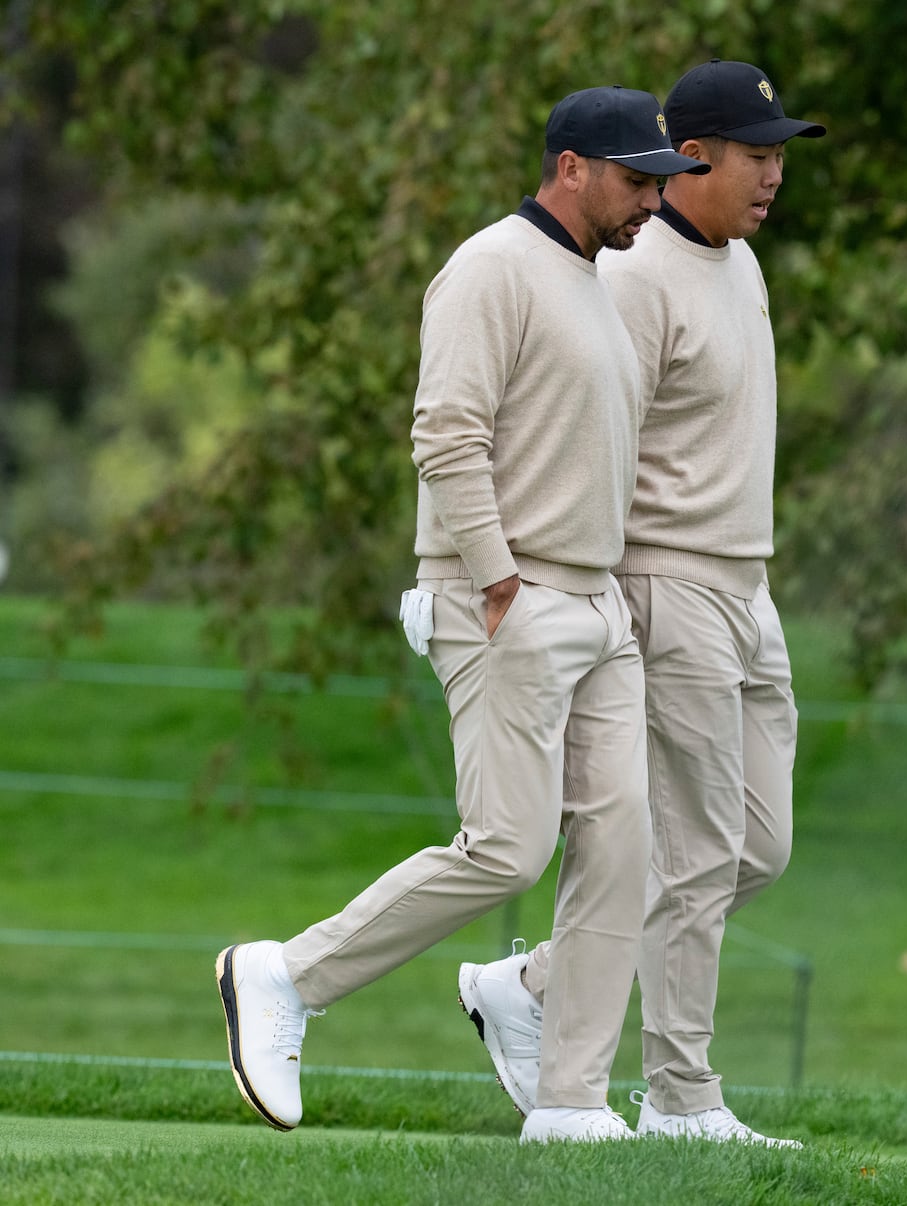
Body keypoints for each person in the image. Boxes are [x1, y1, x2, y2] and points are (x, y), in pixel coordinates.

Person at [215, 85, 710, 1145]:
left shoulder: (598, 281)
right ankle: (287, 976)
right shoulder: (490, 267)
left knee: (625, 850)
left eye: (660, 183)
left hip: (596, 604)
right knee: (507, 849)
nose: (649, 202)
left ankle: (573, 1101)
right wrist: (493, 578)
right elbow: (446, 433)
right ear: (570, 167)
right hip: (509, 598)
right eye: (636, 180)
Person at [454, 59, 823, 1148]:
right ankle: (679, 1097)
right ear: (692, 156)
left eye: (779, 158)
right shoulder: (635, 275)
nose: (773, 178)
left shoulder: (740, 263)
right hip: (666, 585)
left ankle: (532, 982)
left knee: (756, 846)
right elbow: (582, 441)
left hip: (748, 589)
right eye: (757, 156)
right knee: (700, 852)